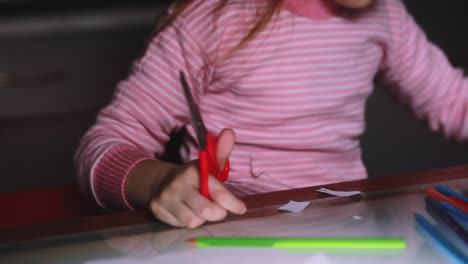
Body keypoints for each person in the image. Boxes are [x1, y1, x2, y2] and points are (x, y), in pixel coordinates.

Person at [75, 0, 468, 228]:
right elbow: (103, 148)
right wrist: (160, 181)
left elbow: (454, 102)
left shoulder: (387, 15)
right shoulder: (212, 17)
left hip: (345, 233)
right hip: (229, 239)